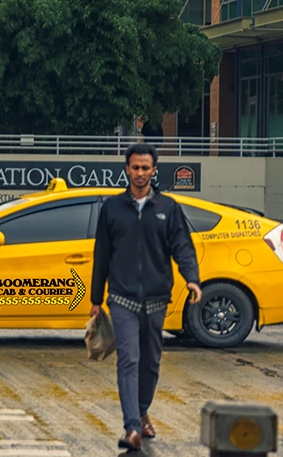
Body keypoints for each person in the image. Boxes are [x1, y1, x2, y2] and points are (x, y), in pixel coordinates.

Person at [89, 144, 202, 452]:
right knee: (129, 359)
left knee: (150, 363)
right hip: (122, 297)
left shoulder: (168, 207)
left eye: (145, 168)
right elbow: (102, 254)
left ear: (154, 170)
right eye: (135, 167)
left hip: (155, 298)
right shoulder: (112, 208)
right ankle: (132, 428)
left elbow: (182, 246)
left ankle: (141, 409)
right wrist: (96, 297)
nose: (140, 173)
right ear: (127, 169)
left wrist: (192, 279)